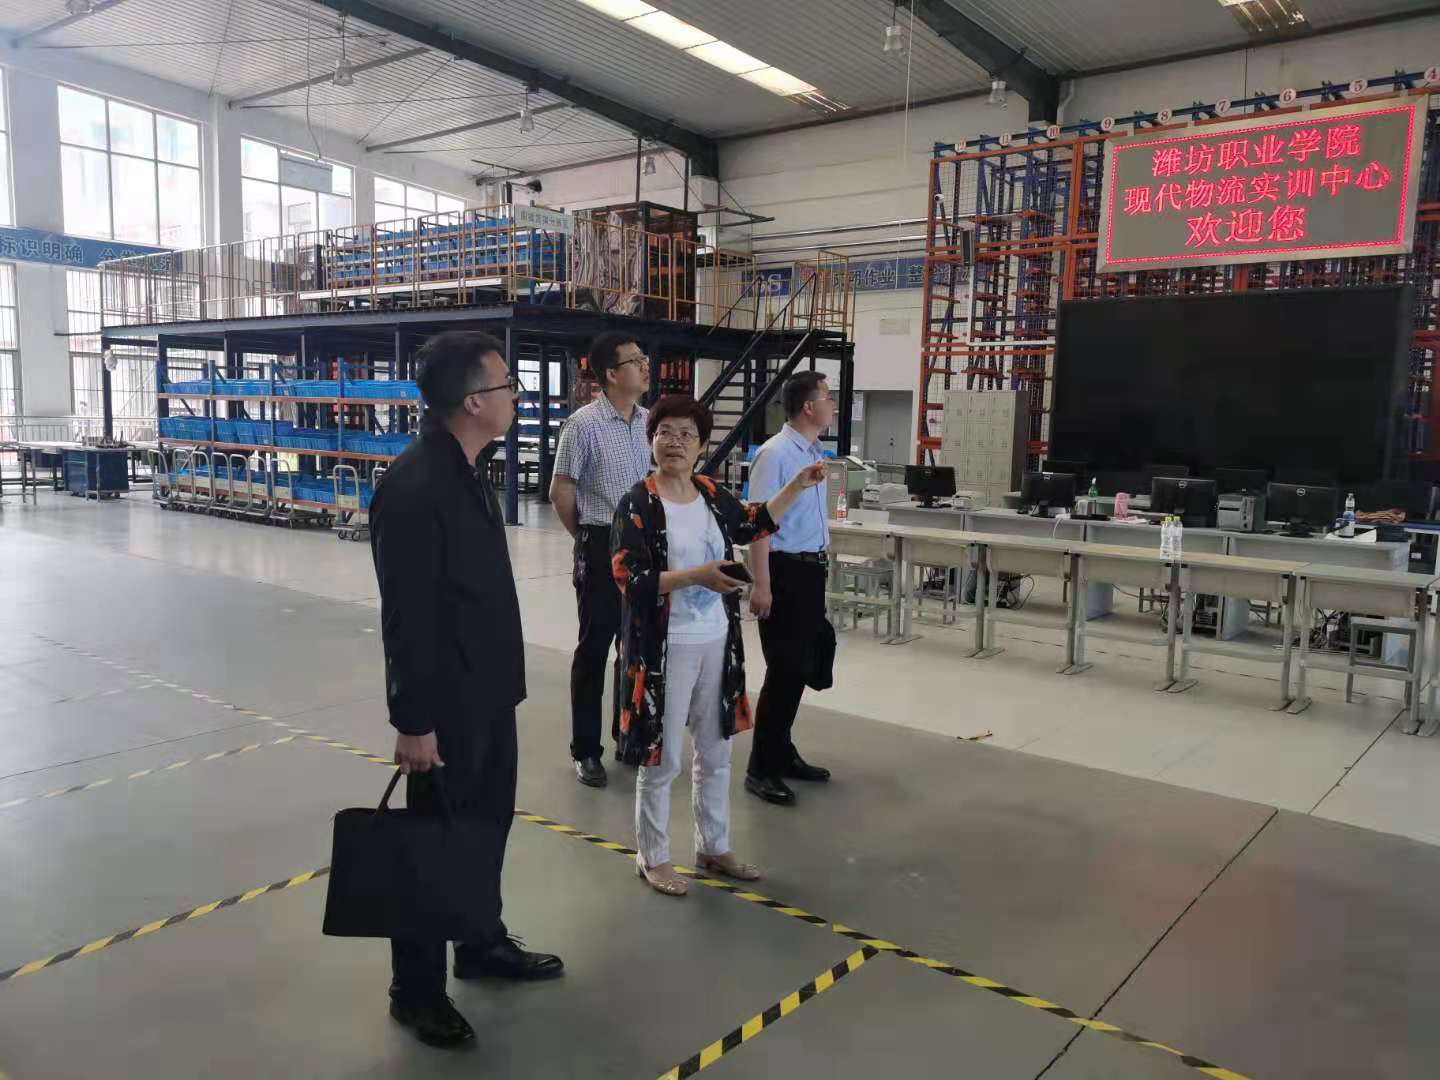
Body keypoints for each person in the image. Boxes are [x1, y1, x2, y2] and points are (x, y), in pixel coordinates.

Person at [370, 331, 563, 1050]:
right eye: (508, 384)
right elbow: (407, 617)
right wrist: (413, 721)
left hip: (486, 695)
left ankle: (480, 941)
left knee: (484, 829)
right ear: (475, 401)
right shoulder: (415, 487)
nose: (516, 396)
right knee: (434, 847)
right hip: (445, 708)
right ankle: (415, 991)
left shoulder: (467, 470)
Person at [610, 396, 827, 896]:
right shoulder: (638, 503)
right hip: (663, 650)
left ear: (702, 445)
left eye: (687, 434)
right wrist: (698, 577)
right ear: (651, 440)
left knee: (716, 751)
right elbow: (630, 580)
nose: (675, 442)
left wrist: (797, 485)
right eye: (665, 432)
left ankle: (714, 846)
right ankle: (653, 855)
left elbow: (753, 522)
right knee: (661, 758)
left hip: (716, 643)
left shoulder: (710, 494)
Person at [549, 332, 653, 788]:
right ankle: (586, 750)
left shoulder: (648, 421)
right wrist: (590, 539)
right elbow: (561, 491)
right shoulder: (583, 425)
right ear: (611, 373)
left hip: (642, 549)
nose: (646, 366)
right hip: (600, 544)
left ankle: (626, 734)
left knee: (634, 649)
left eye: (644, 359)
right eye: (636, 360)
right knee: (594, 649)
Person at [744, 371, 838, 806]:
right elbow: (758, 524)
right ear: (808, 406)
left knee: (800, 666)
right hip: (783, 572)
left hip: (810, 571)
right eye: (828, 398)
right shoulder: (775, 455)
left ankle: (781, 751)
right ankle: (761, 768)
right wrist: (761, 584)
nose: (833, 405)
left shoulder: (813, 453)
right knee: (783, 670)